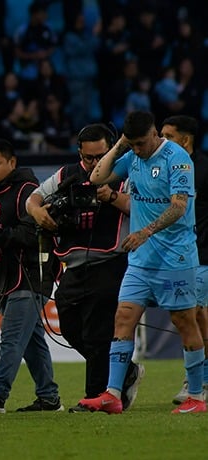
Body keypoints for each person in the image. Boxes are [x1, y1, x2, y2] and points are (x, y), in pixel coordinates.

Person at [82, 110, 206, 414]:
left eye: (140, 143)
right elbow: (95, 177)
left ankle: (197, 395)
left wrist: (146, 231)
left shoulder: (177, 159)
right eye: (132, 144)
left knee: (184, 322)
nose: (138, 149)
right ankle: (112, 393)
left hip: (175, 257)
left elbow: (179, 207)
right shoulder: (133, 155)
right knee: (123, 318)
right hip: (140, 261)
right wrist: (120, 145)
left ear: (155, 135)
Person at [25, 123, 143, 413]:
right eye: (89, 158)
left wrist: (112, 197)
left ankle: (95, 396)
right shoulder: (66, 174)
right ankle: (124, 368)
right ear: (80, 152)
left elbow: (140, 208)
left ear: (114, 149)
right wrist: (39, 212)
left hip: (111, 262)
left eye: (100, 156)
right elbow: (33, 198)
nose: (94, 164)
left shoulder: (126, 171)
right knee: (70, 328)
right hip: (73, 265)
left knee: (98, 332)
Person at [0, 138, 62, 414]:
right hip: (10, 279)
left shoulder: (28, 192)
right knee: (32, 341)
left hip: (31, 276)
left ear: (12, 162)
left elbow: (34, 233)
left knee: (11, 338)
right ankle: (49, 398)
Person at [160, 115, 208, 404]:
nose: (162, 142)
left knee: (197, 316)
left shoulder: (203, 169)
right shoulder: (163, 169)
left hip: (201, 253)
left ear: (185, 140)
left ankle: (199, 383)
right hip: (173, 257)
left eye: (168, 136)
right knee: (184, 318)